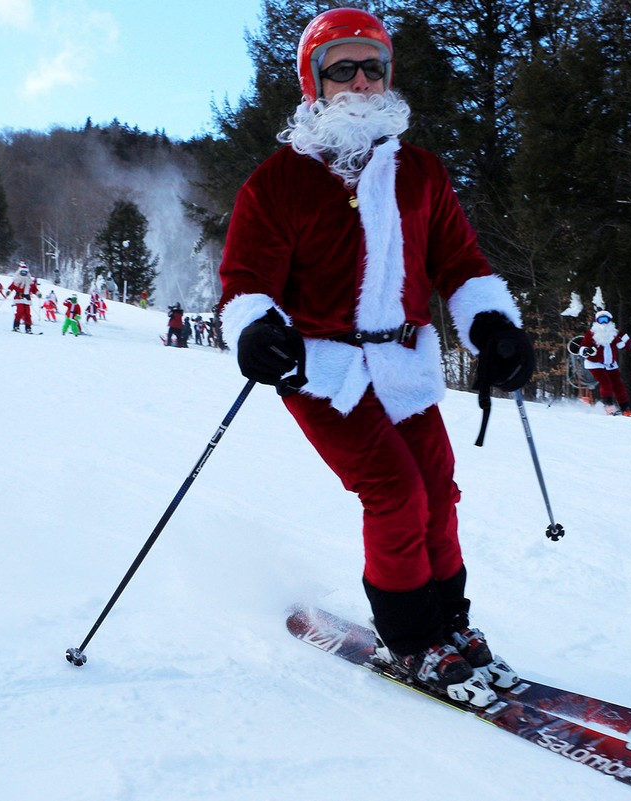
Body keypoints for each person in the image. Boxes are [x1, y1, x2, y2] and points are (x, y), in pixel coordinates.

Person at [218, 8, 532, 705]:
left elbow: (460, 262)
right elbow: (245, 283)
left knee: (439, 489)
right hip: (323, 372)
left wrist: (494, 327)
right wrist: (255, 329)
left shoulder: (419, 172)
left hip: (404, 365)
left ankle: (452, 622)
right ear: (314, 84)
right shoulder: (277, 182)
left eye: (373, 67)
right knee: (394, 492)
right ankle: (413, 636)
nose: (360, 81)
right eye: (342, 69)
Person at [576, 309, 631, 416]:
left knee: (618, 385)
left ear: (609, 321)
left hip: (610, 364)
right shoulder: (591, 334)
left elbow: (627, 344)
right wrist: (587, 351)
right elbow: (582, 348)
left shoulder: (615, 333)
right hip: (595, 363)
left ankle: (625, 409)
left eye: (605, 320)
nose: (603, 323)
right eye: (600, 320)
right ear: (597, 321)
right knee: (606, 383)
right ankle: (609, 408)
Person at [8, 265, 39, 333]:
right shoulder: (17, 280)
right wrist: (8, 291)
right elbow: (11, 287)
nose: (24, 274)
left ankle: (28, 328)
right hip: (19, 298)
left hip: (27, 299)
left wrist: (38, 293)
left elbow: (34, 289)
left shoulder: (29, 281)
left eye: (25, 272)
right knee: (20, 311)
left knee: (27, 313)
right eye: (22, 272)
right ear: (20, 272)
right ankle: (16, 326)